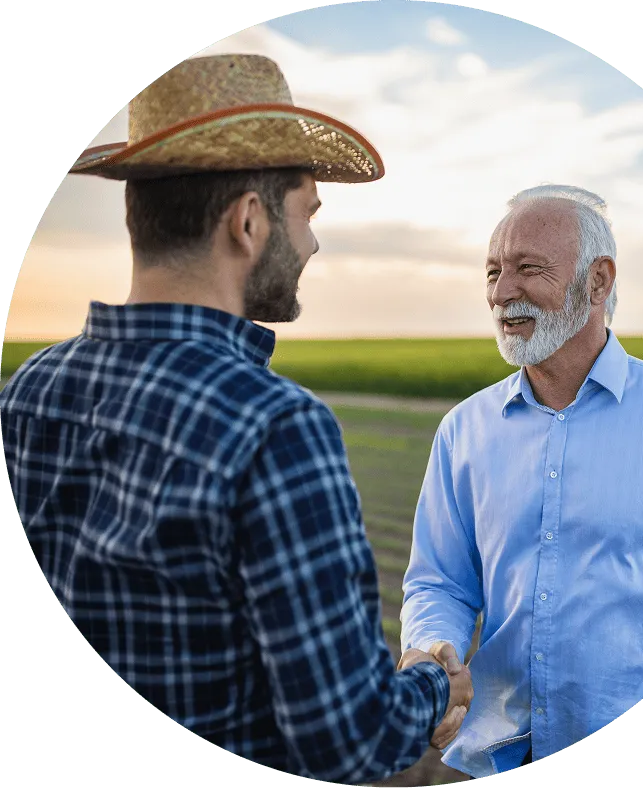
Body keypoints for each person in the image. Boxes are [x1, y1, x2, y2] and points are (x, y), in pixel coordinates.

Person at [0, 54, 472, 784]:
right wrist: (435, 682)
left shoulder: (29, 391)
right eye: (308, 212)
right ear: (248, 221)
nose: (312, 242)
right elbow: (349, 743)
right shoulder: (276, 427)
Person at [400, 184, 643, 779]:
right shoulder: (463, 430)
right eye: (492, 272)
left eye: (527, 269)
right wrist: (432, 650)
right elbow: (439, 580)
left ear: (597, 282)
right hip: (500, 758)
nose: (500, 292)